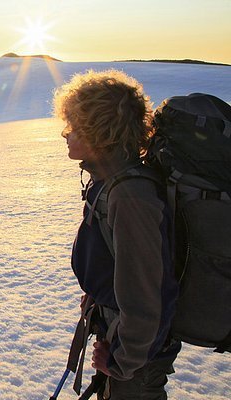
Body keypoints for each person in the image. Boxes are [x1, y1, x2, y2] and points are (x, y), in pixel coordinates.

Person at [52, 70, 181, 399]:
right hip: (117, 333)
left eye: (75, 126)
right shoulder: (109, 182)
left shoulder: (129, 195)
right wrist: (99, 296)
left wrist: (124, 361)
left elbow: (145, 294)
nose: (65, 133)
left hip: (137, 354)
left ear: (100, 132)